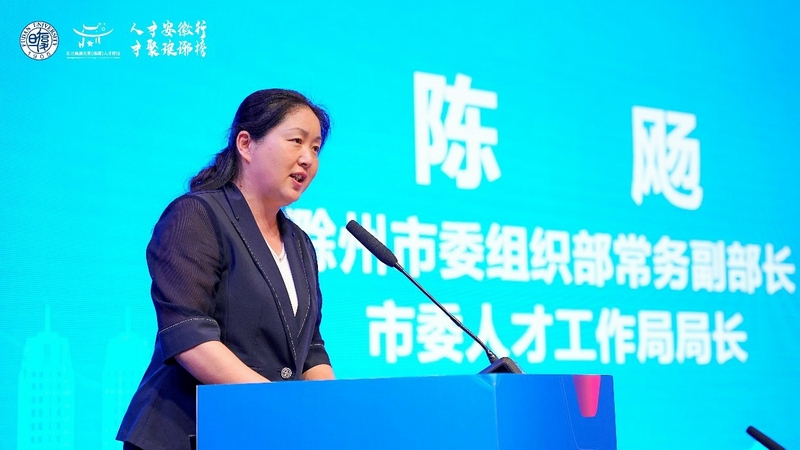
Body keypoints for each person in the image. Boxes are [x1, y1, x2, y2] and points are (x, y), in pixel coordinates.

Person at [117, 89, 335, 450]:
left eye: (315, 148)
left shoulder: (299, 243)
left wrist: (332, 412)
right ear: (246, 144)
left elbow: (310, 346)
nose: (307, 159)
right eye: (297, 141)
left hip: (260, 434)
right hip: (188, 433)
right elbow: (189, 337)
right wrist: (279, 407)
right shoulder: (197, 216)